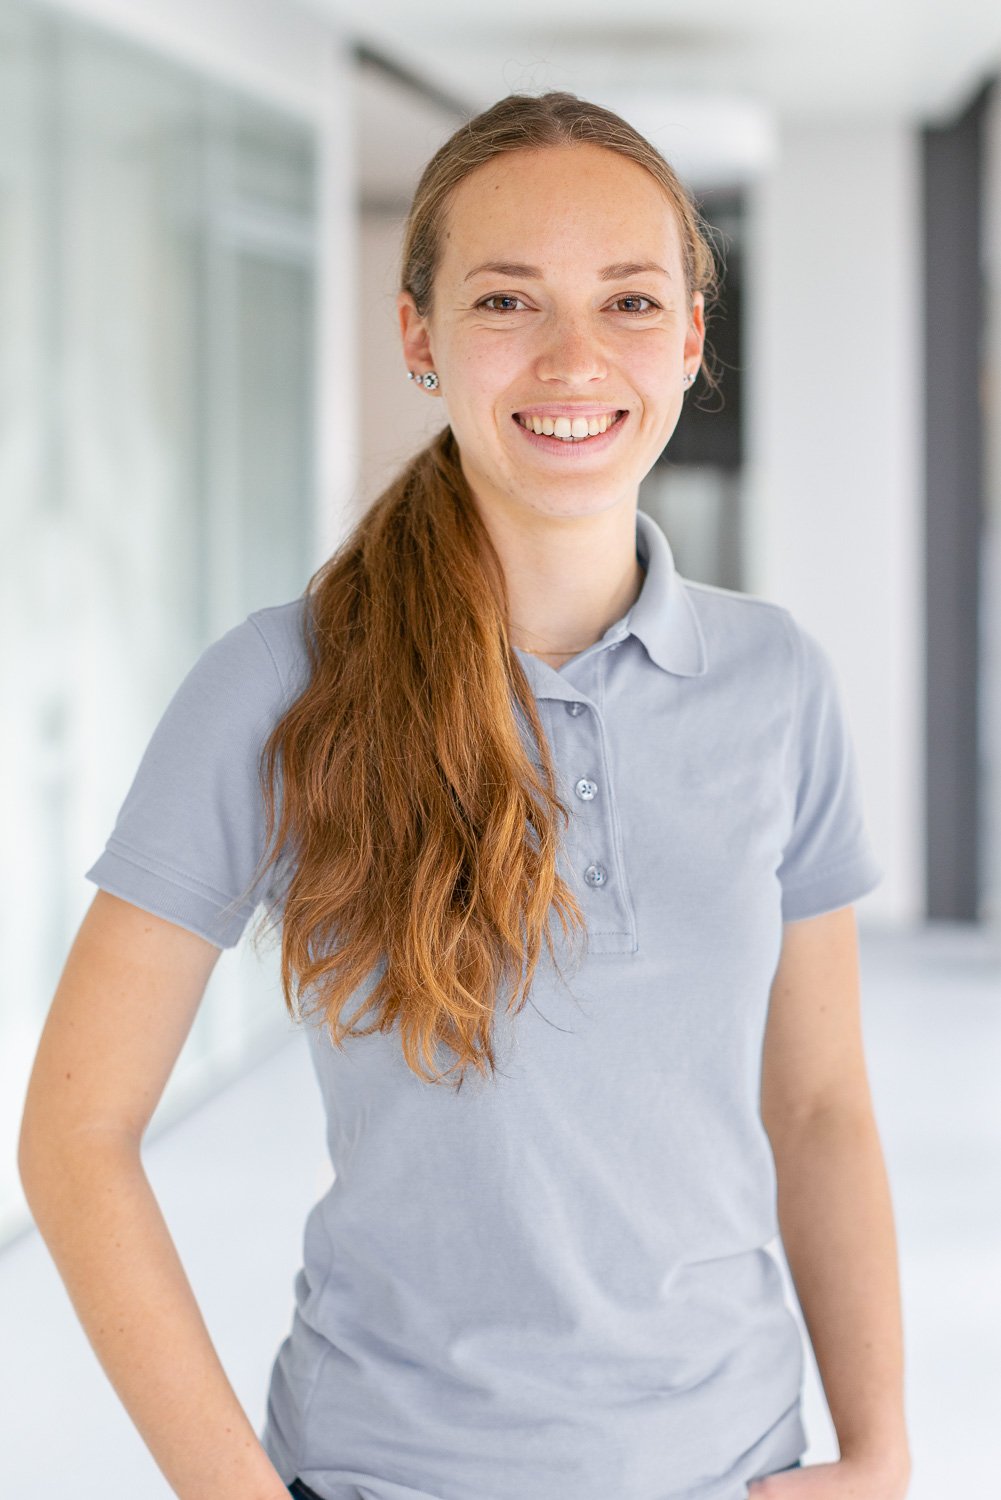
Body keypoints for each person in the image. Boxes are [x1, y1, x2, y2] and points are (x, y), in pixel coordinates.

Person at [17, 90, 911, 1500]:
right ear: (419, 335)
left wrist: (880, 1452)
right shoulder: (280, 681)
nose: (572, 357)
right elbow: (74, 1132)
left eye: (627, 301)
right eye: (508, 298)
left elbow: (817, 1108)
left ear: (689, 335)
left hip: (737, 1469)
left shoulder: (774, 681)